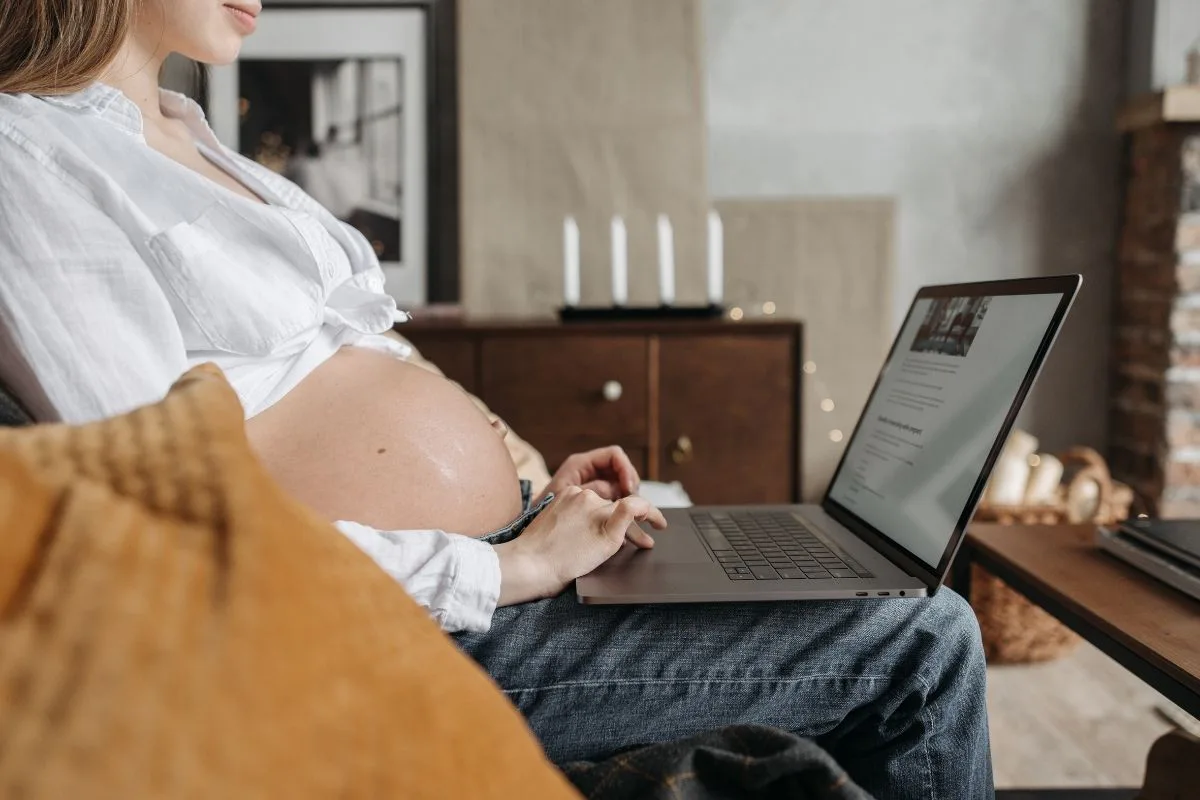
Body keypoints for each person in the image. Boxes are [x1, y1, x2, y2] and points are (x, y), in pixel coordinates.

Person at [0, 2, 994, 797]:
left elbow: (336, 382)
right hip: (406, 632)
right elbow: (171, 523)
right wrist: (504, 565)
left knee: (861, 580)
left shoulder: (184, 133)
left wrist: (526, 497)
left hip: (495, 564)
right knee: (925, 637)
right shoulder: (24, 158)